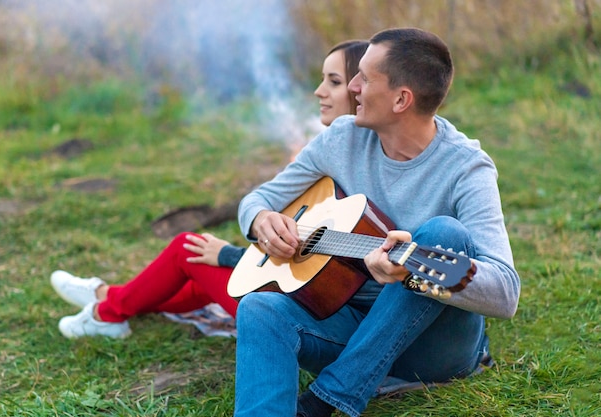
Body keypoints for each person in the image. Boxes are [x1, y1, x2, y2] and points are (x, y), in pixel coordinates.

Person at [233, 27, 520, 417]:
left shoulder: (466, 168)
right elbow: (259, 199)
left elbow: (505, 294)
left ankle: (326, 400)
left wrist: (412, 268)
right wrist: (261, 219)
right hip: (350, 326)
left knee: (442, 233)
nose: (351, 87)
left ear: (402, 99)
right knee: (258, 309)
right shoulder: (341, 139)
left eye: (364, 78)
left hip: (433, 348)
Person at [49, 39, 370, 339]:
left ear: (362, 89)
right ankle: (110, 297)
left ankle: (107, 313)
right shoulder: (334, 151)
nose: (318, 91)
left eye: (334, 81)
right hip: (302, 293)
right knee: (201, 278)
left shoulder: (366, 169)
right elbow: (281, 222)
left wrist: (228, 255)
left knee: (187, 249)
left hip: (312, 312)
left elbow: (331, 264)